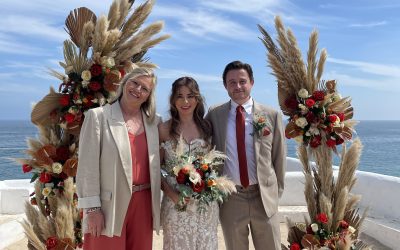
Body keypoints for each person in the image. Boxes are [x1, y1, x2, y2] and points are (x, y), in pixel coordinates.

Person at [76, 67, 161, 250]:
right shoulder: (98, 117)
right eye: (135, 83)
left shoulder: (155, 123)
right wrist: (92, 209)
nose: (138, 90)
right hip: (109, 206)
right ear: (124, 83)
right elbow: (87, 168)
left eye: (145, 88)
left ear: (149, 95)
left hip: (144, 205)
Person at [206, 60, 286, 250]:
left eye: (242, 81)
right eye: (232, 82)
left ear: (251, 82)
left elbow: (279, 157)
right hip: (231, 197)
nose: (238, 86)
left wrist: (274, 194)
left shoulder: (271, 115)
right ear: (225, 85)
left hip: (263, 197)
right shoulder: (214, 114)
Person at [158, 76, 218, 250]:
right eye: (179, 96)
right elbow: (156, 169)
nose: (185, 101)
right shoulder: (163, 129)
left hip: (205, 206)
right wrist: (171, 194)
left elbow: (213, 165)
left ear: (197, 98)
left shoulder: (207, 127)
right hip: (176, 204)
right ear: (173, 100)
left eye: (190, 95)